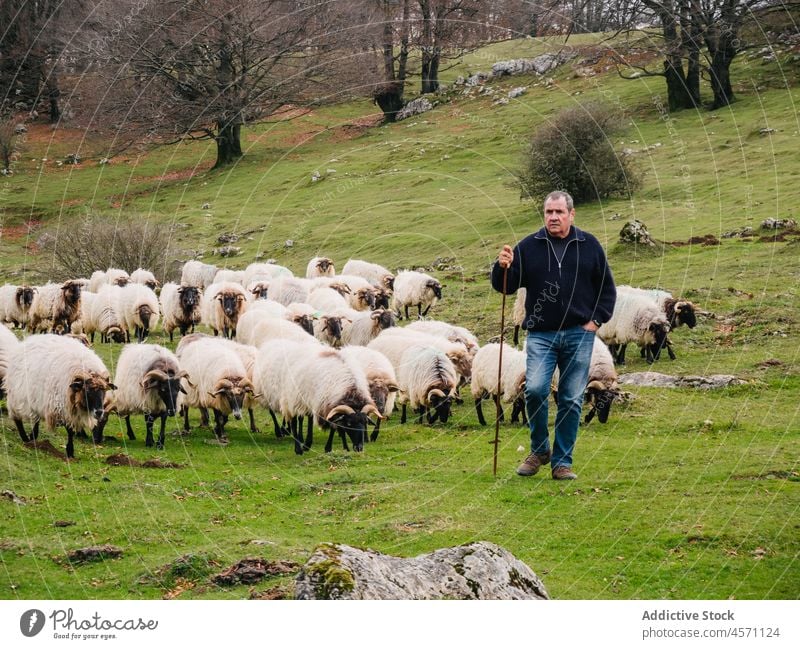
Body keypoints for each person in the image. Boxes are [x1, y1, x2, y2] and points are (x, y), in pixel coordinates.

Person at [491, 191, 616, 480]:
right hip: (541, 334)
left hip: (578, 334)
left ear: (571, 214)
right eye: (549, 212)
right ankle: (539, 449)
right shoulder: (529, 247)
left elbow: (606, 289)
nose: (553, 217)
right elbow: (506, 286)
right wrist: (502, 266)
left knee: (571, 399)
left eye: (559, 212)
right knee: (534, 390)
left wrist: (596, 320)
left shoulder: (589, 246)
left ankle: (562, 462)